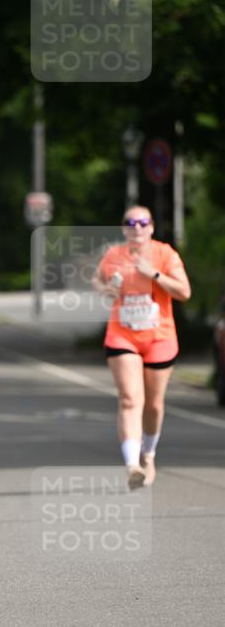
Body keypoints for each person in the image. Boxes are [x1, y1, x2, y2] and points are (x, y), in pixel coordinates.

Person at [95, 205, 191, 489]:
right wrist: (107, 289)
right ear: (124, 229)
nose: (137, 227)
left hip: (160, 337)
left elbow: (185, 292)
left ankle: (148, 455)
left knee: (153, 404)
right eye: (130, 222)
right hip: (122, 335)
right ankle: (132, 464)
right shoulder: (114, 255)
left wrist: (154, 274)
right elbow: (99, 283)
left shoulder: (165, 254)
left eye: (143, 222)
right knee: (129, 398)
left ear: (151, 227)